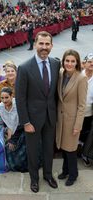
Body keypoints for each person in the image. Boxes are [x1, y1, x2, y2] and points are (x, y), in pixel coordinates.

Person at [15, 31, 61, 193]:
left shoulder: (56, 64)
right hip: (32, 121)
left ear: (51, 46)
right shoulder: (24, 68)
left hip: (50, 117)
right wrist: (26, 122)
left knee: (49, 149)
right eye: (41, 44)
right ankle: (34, 179)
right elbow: (20, 98)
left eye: (47, 44)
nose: (44, 47)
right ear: (35, 44)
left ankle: (48, 175)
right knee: (33, 151)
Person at [56, 49, 87, 186]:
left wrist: (78, 125)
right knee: (64, 147)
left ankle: (73, 174)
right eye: (67, 61)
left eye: (72, 61)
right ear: (63, 62)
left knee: (71, 150)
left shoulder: (81, 78)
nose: (69, 63)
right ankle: (65, 170)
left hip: (73, 121)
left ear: (77, 62)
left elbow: (82, 105)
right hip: (61, 119)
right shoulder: (61, 74)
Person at [0, 87, 28, 172]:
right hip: (11, 130)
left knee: (19, 149)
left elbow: (20, 124)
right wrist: (9, 136)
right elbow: (8, 124)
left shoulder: (18, 105)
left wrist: (13, 140)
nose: (4, 100)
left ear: (12, 96)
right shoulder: (1, 107)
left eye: (7, 97)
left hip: (23, 130)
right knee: (8, 147)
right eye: (2, 98)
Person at [80, 53, 93, 166]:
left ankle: (85, 152)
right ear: (84, 64)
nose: (92, 63)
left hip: (90, 112)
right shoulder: (79, 76)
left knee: (87, 132)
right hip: (78, 112)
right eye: (90, 61)